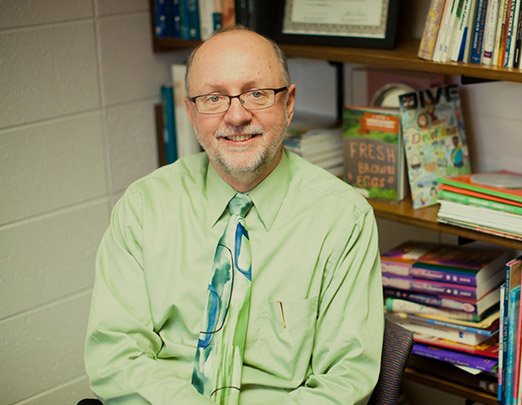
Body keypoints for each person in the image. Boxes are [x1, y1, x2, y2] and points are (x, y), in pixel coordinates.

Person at [85, 26, 384, 404]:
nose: (237, 116)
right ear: (191, 111)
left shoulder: (344, 219)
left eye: (256, 94)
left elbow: (344, 380)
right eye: (214, 98)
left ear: (288, 103)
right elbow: (115, 355)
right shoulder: (144, 207)